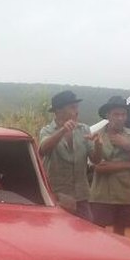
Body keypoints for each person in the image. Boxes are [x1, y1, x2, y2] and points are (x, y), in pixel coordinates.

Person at [90, 96, 130, 235]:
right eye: (116, 114)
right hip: (101, 194)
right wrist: (128, 165)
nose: (120, 118)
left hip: (126, 194)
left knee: (120, 236)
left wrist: (128, 147)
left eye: (123, 114)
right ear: (108, 115)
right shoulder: (97, 136)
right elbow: (97, 167)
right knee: (98, 234)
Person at [38, 90, 94, 220]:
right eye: (72, 107)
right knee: (58, 234)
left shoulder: (84, 129)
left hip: (81, 196)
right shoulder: (47, 130)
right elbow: (43, 150)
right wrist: (63, 130)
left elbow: (95, 159)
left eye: (77, 107)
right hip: (57, 197)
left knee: (86, 232)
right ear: (58, 111)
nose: (77, 111)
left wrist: (98, 145)